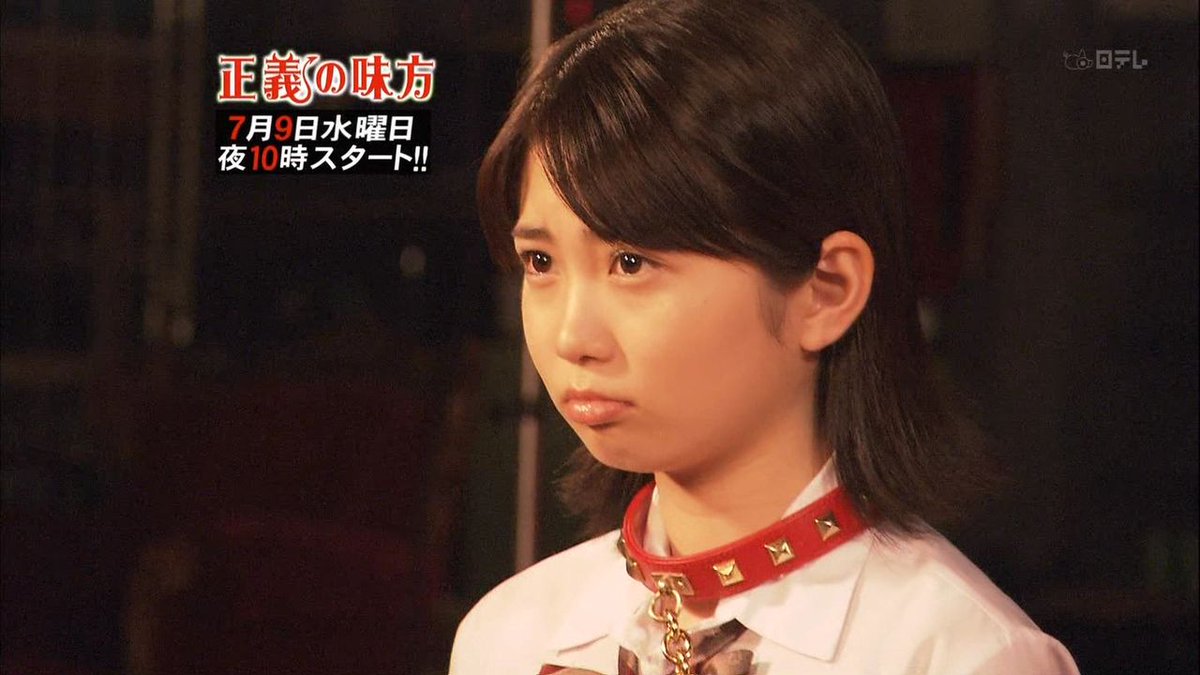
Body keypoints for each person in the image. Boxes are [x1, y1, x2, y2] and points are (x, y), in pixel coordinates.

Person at [451, 1, 1081, 673]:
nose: (572, 336)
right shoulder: (510, 637)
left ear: (826, 289)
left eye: (631, 263)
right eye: (540, 262)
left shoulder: (958, 653)